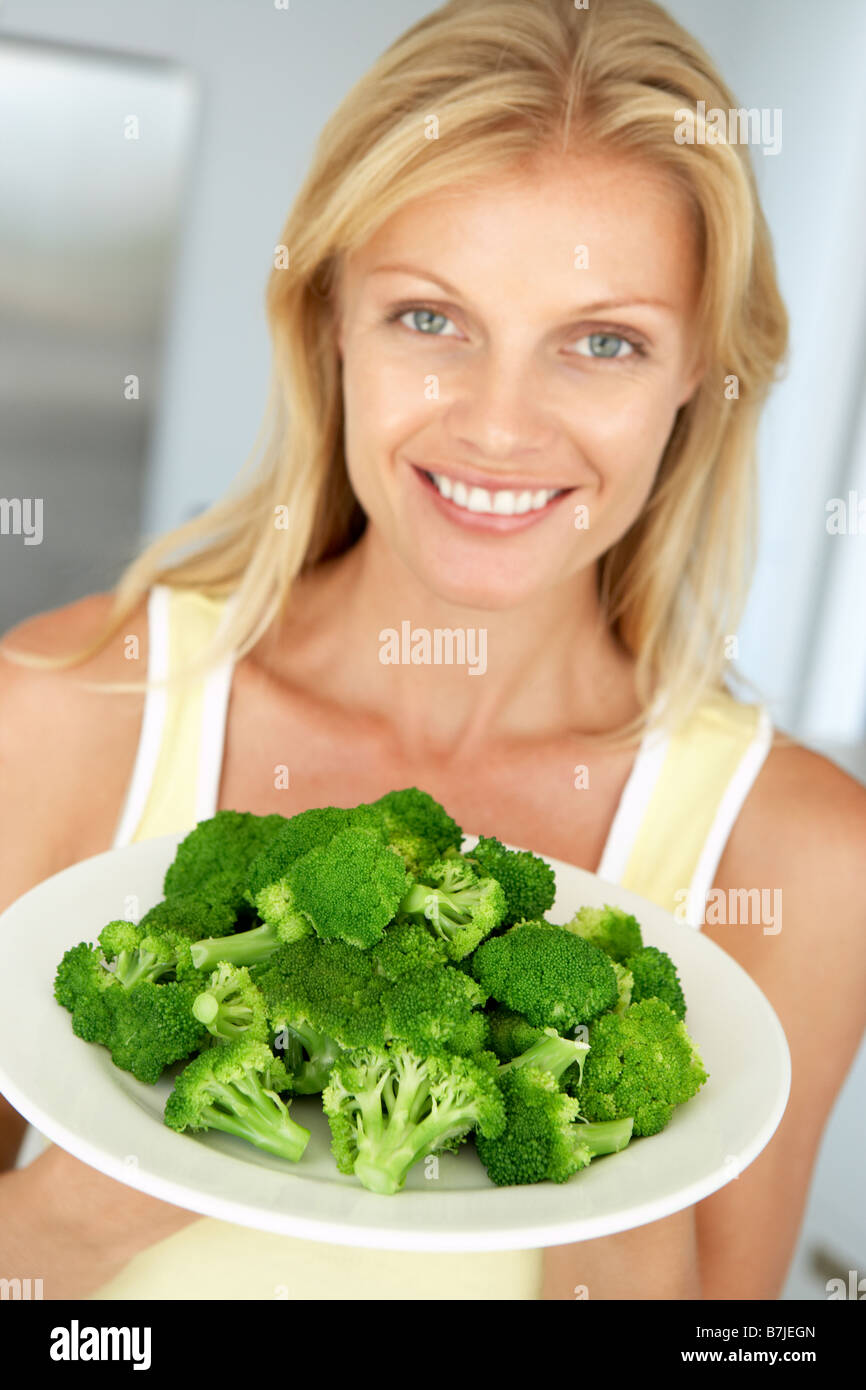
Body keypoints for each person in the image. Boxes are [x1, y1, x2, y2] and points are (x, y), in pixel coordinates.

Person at [1, 0, 864, 1302]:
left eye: (602, 341)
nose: (499, 426)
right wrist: (75, 1214)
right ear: (328, 319)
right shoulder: (65, 710)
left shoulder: (801, 855)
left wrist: (606, 1145)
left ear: (699, 373)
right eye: (428, 319)